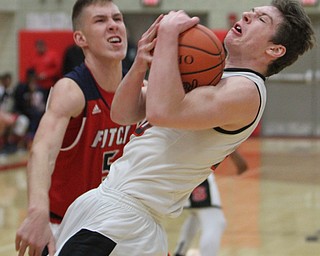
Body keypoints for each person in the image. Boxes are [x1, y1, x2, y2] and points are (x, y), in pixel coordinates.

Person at [48, 0, 314, 255]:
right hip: (111, 204)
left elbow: (161, 112)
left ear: (274, 50)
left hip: (125, 217)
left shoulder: (248, 89)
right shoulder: (210, 75)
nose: (247, 16)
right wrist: (141, 61)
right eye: (252, 12)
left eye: (261, 19)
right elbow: (122, 113)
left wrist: (167, 38)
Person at [15, 0, 136, 255]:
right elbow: (42, 150)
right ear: (81, 38)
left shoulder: (137, 89)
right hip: (65, 224)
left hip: (113, 221)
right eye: (100, 20)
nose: (113, 26)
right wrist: (37, 211)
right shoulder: (71, 91)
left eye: (117, 18)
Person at [174, 150, 248, 256]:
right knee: (216, 221)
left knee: (196, 215)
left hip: (186, 168)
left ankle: (180, 252)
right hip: (195, 170)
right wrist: (234, 153)